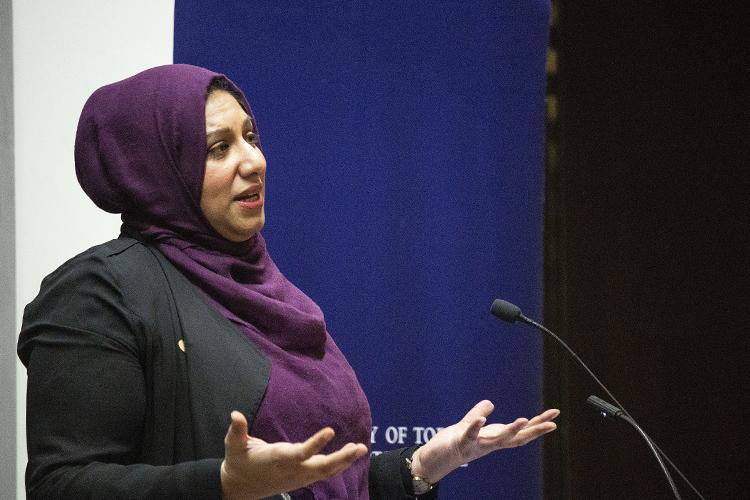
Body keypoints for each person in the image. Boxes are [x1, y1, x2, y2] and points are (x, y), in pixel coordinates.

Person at [17, 64, 559, 499]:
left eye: (250, 136)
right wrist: (222, 486)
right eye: (217, 148)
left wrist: (418, 467)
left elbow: (310, 479)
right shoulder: (100, 293)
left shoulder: (269, 291)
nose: (254, 161)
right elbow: (62, 485)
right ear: (157, 169)